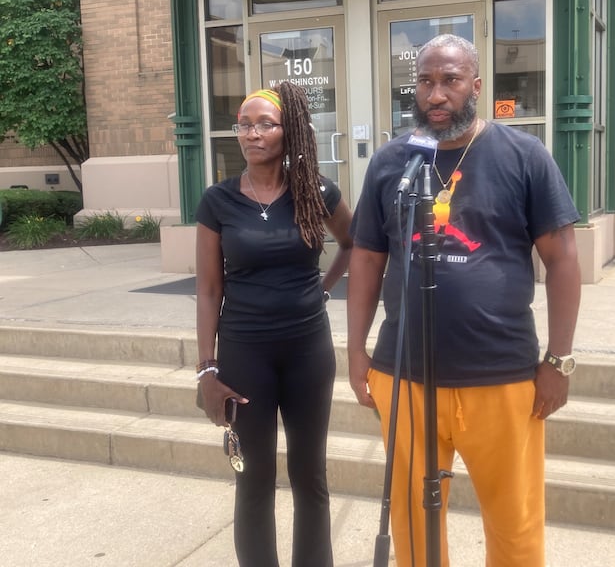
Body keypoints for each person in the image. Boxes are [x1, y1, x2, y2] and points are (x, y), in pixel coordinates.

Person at [347, 34, 581, 566]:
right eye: (425, 82)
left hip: (501, 375)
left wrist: (559, 360)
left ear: (475, 86)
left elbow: (563, 259)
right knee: (412, 519)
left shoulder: (524, 155)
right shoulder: (391, 163)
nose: (436, 94)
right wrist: (357, 349)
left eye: (449, 81)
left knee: (514, 521)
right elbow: (365, 259)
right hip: (404, 373)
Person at [194, 82, 352, 567]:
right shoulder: (217, 202)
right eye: (244, 124)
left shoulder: (317, 193)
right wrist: (207, 370)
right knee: (254, 478)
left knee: (310, 476)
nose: (252, 133)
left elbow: (354, 243)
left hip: (308, 351)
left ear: (291, 132)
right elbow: (208, 290)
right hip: (245, 355)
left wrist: (323, 289)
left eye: (265, 123)